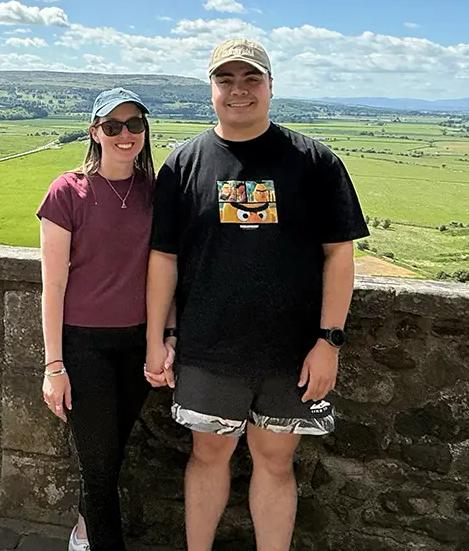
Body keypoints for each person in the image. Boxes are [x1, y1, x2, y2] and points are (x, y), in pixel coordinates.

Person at [144, 38, 370, 550]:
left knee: (275, 462)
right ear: (211, 89)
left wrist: (329, 341)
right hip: (207, 348)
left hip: (289, 352)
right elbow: (163, 258)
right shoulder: (184, 165)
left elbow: (340, 255)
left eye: (251, 79)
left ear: (271, 86)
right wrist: (158, 339)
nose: (238, 91)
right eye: (226, 80)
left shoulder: (314, 162)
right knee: (207, 458)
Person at [38, 87, 174, 551]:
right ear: (94, 132)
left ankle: (82, 531)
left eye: (134, 124)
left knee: (109, 458)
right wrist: (54, 366)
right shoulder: (66, 191)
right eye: (112, 126)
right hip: (84, 344)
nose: (124, 134)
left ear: (145, 131)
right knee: (98, 466)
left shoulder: (156, 193)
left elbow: (167, 270)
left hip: (138, 341)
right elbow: (52, 286)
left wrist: (166, 336)